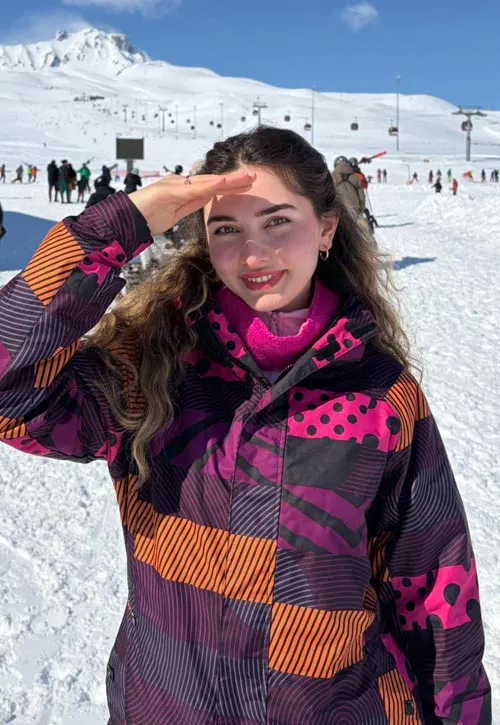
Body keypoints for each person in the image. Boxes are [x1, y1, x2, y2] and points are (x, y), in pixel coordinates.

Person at [0, 126, 490, 724]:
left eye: (278, 221)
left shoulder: (381, 395)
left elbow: (434, 590)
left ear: (327, 229)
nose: (253, 255)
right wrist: (118, 228)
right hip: (167, 707)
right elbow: (9, 393)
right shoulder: (150, 365)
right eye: (226, 229)